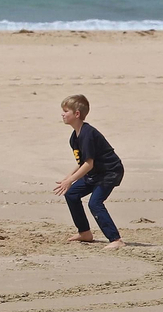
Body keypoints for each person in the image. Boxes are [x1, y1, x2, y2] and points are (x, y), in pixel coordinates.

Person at [51, 94, 125, 251]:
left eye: (66, 111)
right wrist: (68, 178)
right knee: (71, 194)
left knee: (95, 203)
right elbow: (82, 163)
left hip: (110, 172)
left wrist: (70, 180)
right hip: (95, 173)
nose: (62, 114)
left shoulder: (88, 134)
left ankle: (116, 239)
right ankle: (84, 233)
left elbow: (88, 164)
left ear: (77, 114)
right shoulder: (74, 137)